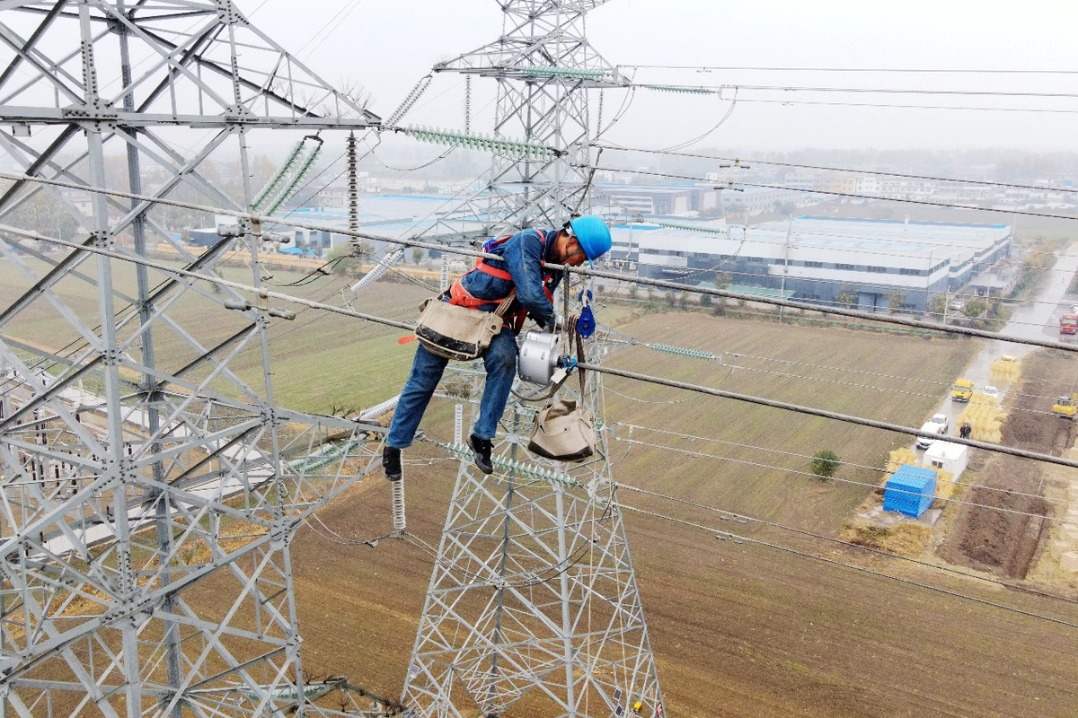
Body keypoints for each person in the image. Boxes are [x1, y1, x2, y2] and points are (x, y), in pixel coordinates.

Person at [382, 215, 612, 480]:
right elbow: (530, 296)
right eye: (581, 258)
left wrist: (559, 347)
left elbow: (540, 307)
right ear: (571, 241)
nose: (578, 264)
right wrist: (555, 322)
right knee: (423, 380)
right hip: (458, 310)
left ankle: (481, 437)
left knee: (505, 359)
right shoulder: (528, 243)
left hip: (494, 320)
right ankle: (394, 445)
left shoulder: (555, 267)